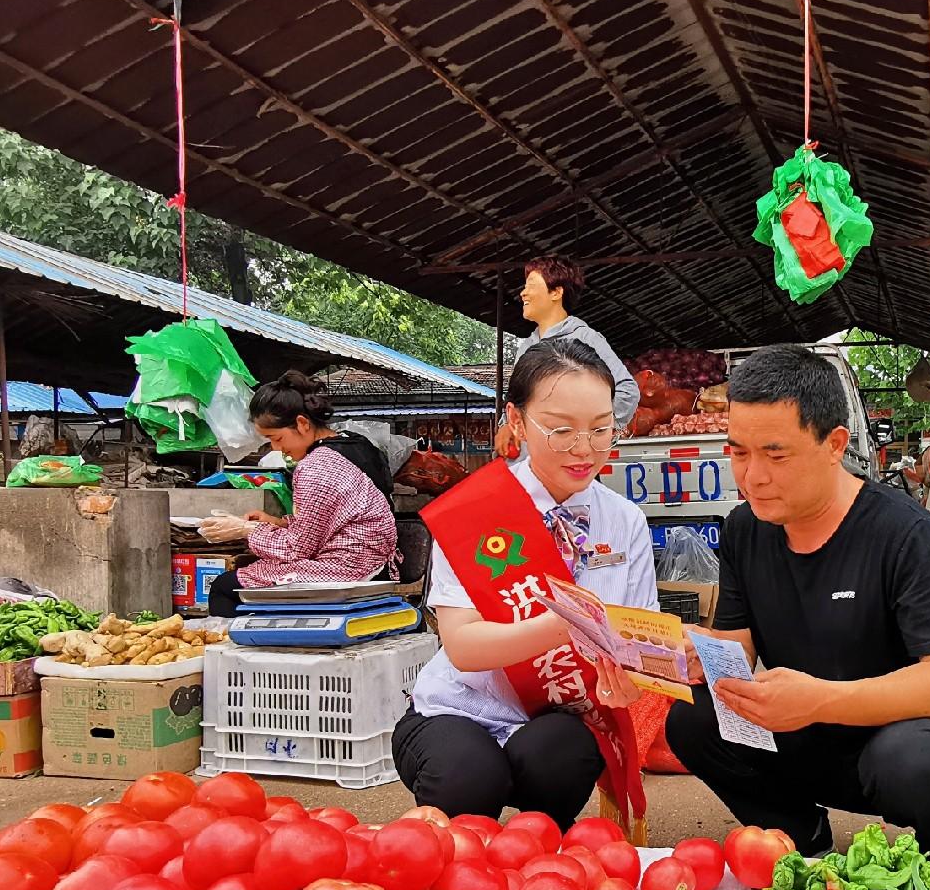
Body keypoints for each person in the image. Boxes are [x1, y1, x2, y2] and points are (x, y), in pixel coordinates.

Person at [665, 345, 930, 858]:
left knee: (918, 759)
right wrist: (692, 653)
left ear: (834, 444)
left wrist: (819, 699)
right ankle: (797, 832)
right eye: (738, 452)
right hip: (800, 727)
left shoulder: (904, 532)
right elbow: (738, 650)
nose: (752, 476)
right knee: (692, 719)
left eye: (775, 454)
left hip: (895, 734)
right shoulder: (745, 529)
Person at [397, 338, 656, 827]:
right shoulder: (477, 513)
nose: (585, 450)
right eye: (561, 430)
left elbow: (638, 640)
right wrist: (570, 624)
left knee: (563, 754)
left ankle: (537, 861)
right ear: (517, 421)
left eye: (602, 430)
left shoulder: (625, 521)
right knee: (469, 776)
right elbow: (465, 648)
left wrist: (633, 684)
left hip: (555, 717)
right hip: (461, 708)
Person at [201, 372, 398, 616]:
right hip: (372, 558)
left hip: (349, 566)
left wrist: (246, 530)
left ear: (303, 424)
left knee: (223, 587)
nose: (276, 448)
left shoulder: (314, 467)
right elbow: (324, 522)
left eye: (276, 438)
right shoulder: (350, 446)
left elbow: (296, 550)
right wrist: (277, 523)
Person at [514, 258, 638, 430]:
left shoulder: (585, 338)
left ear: (556, 292)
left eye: (531, 286)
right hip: (534, 455)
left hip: (572, 452)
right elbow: (516, 402)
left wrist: (592, 430)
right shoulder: (525, 348)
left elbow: (627, 391)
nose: (523, 293)